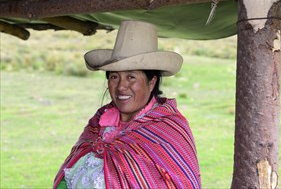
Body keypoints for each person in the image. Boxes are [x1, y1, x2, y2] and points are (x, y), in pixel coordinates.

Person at [53, 20, 201, 189]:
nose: (121, 86)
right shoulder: (99, 123)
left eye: (131, 77)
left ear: (151, 82)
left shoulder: (168, 130)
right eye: (114, 77)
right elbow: (70, 174)